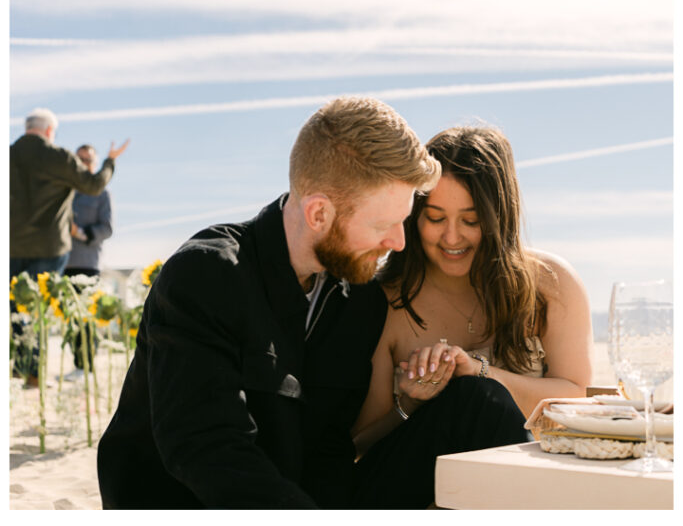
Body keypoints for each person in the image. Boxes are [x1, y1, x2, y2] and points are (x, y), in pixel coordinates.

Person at [97, 98, 527, 510]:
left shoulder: (358, 300)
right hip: (198, 502)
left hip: (307, 500)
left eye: (404, 221)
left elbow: (329, 449)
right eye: (384, 224)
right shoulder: (207, 275)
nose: (398, 242)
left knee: (478, 405)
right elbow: (207, 452)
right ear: (319, 213)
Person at [352, 124, 593, 481]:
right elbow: (359, 444)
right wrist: (412, 402)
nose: (452, 237)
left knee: (478, 396)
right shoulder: (384, 300)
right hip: (414, 493)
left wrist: (479, 372)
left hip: (520, 485)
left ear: (501, 218)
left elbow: (577, 400)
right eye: (435, 218)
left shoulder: (550, 284)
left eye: (471, 220)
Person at [9, 109, 128, 382]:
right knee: (39, 309)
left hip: (11, 246)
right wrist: (109, 161)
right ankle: (34, 373)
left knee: (13, 307)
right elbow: (95, 184)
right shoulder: (59, 157)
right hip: (49, 247)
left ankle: (18, 365)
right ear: (50, 131)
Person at [66, 145, 114, 278]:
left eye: (88, 160)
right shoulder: (63, 190)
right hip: (59, 263)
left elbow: (107, 229)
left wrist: (78, 233)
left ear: (95, 163)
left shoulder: (103, 193)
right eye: (79, 159)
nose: (83, 163)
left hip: (87, 265)